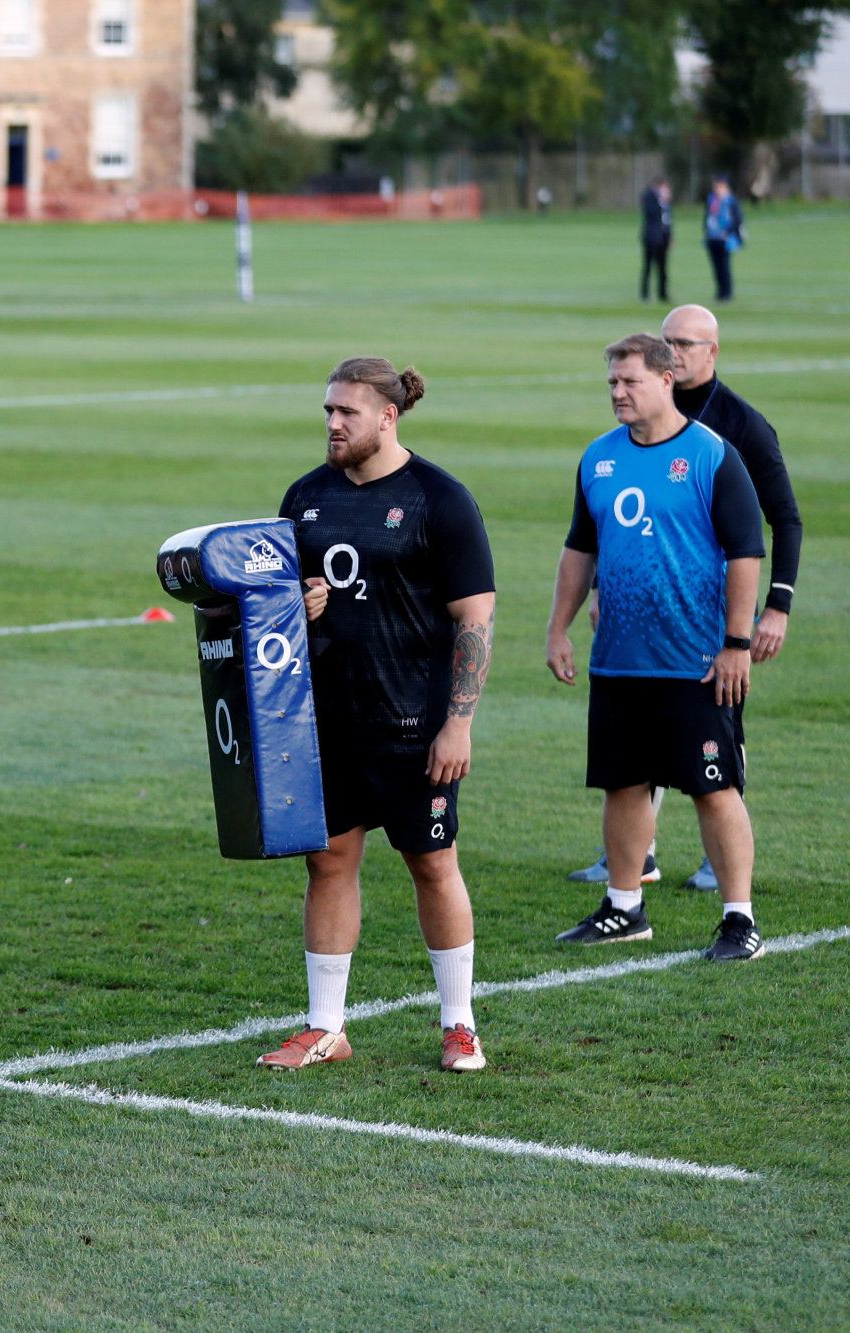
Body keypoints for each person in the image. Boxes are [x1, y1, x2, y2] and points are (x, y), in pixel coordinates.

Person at [257, 359, 497, 1074]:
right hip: (325, 723)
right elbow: (270, 607)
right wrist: (292, 608)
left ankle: (459, 1024)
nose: (332, 423)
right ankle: (326, 1026)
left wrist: (458, 723)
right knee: (327, 863)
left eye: (346, 413)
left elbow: (475, 619)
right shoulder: (304, 497)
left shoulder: (439, 499)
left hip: (412, 728)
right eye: (327, 410)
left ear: (387, 417)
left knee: (432, 863)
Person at [564, 305, 803, 892]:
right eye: (666, 342)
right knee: (630, 772)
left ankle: (723, 880)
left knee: (712, 770)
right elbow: (608, 530)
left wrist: (770, 611)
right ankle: (633, 866)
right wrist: (600, 593)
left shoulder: (735, 433)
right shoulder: (609, 448)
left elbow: (778, 525)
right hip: (629, 642)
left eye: (685, 344)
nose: (674, 351)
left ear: (709, 353)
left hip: (702, 635)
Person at [546, 334, 765, 962]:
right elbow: (579, 550)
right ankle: (624, 907)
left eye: (629, 381)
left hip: (695, 661)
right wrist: (558, 628)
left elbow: (747, 552)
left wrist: (737, 644)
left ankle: (738, 918)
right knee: (623, 784)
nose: (617, 392)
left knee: (712, 786)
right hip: (618, 658)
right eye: (611, 383)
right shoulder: (598, 458)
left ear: (667, 380)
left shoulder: (709, 457)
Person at [703, 177, 743, 303]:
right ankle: (719, 292)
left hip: (725, 239)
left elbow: (737, 219)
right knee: (716, 268)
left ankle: (727, 293)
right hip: (712, 237)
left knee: (725, 267)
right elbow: (707, 217)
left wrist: (729, 232)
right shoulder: (712, 200)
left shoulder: (731, 200)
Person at [639, 176, 672, 304]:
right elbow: (650, 213)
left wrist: (670, 236)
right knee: (648, 267)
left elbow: (669, 219)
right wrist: (661, 202)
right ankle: (645, 294)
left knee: (663, 268)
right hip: (651, 238)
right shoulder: (648, 197)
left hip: (663, 238)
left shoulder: (666, 201)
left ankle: (663, 294)